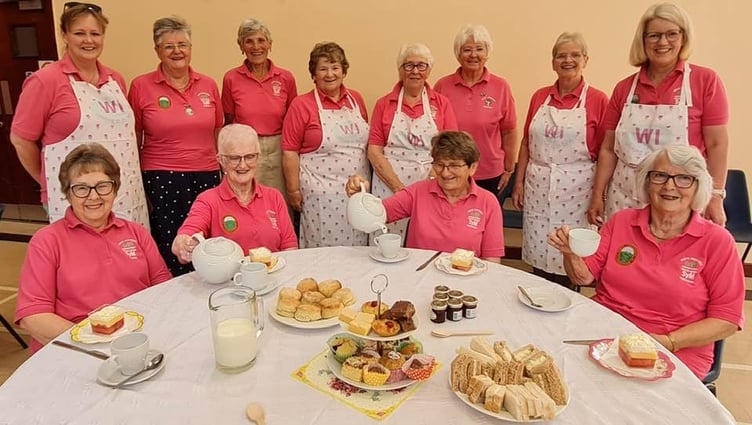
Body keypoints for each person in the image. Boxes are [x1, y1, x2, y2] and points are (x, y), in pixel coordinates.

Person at [548, 145, 744, 379]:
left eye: (683, 178)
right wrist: (570, 254)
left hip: (675, 348)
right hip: (604, 334)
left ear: (698, 187)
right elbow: (583, 277)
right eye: (660, 176)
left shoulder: (717, 241)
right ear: (646, 182)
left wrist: (667, 342)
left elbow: (727, 320)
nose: (669, 186)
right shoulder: (621, 222)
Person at [14, 143, 171, 353]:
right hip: (74, 350)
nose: (94, 196)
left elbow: (163, 290)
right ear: (67, 194)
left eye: (103, 186)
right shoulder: (47, 241)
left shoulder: (136, 233)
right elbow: (33, 316)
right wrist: (93, 344)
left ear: (115, 189)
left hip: (137, 343)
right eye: (81, 188)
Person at [587, 2, 729, 227]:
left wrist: (715, 196)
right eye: (654, 36)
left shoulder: (704, 81)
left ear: (684, 37)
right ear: (643, 41)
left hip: (679, 200)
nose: (663, 42)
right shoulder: (624, 88)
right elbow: (608, 149)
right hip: (625, 199)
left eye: (671, 34)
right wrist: (598, 195)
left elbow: (717, 145)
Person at [10, 2, 149, 227]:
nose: (89, 40)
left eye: (95, 33)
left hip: (125, 196)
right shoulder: (45, 81)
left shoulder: (116, 80)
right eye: (79, 33)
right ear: (64, 35)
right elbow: (20, 140)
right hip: (74, 198)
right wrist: (49, 182)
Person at [511, 32, 609, 288]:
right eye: (561, 55)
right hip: (538, 187)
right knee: (539, 248)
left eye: (574, 55)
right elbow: (525, 143)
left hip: (577, 192)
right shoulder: (539, 96)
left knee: (570, 251)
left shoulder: (598, 99)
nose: (568, 60)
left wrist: (599, 196)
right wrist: (518, 183)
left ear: (585, 59)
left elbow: (606, 152)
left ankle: (569, 297)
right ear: (553, 62)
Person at [128, 16, 224, 276]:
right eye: (169, 46)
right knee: (172, 245)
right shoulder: (140, 86)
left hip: (206, 175)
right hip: (163, 177)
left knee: (206, 241)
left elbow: (217, 130)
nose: (177, 51)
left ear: (191, 48)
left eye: (183, 44)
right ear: (157, 50)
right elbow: (133, 138)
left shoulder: (208, 85)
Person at [347, 131, 504, 263]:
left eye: (454, 166)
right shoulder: (418, 192)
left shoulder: (488, 203)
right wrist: (359, 195)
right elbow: (377, 214)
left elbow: (492, 262)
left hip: (464, 286)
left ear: (472, 167)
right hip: (417, 278)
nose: (445, 172)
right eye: (439, 165)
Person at [282, 42, 370, 248]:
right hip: (320, 196)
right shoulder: (301, 105)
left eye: (335, 67)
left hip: (357, 195)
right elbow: (289, 152)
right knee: (322, 252)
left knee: (356, 252)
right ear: (313, 74)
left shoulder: (356, 99)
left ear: (344, 71)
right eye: (322, 68)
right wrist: (293, 191)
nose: (329, 74)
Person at [367, 43, 457, 241]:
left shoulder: (441, 103)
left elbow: (449, 150)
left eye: (421, 66)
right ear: (400, 69)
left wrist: (426, 187)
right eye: (408, 66)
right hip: (388, 183)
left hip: (430, 182)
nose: (415, 71)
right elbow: (374, 151)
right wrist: (399, 189)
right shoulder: (384, 104)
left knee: (424, 241)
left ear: (429, 70)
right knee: (386, 242)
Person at [172, 124, 297, 263]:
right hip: (229, 282)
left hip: (274, 277)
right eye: (234, 158)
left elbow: (289, 247)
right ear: (221, 160)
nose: (243, 165)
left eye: (249, 156)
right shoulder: (208, 200)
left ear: (258, 158)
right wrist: (183, 243)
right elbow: (186, 235)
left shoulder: (274, 197)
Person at [222, 18, 298, 207]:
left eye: (261, 40)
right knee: (245, 199)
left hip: (279, 147)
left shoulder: (285, 78)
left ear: (270, 44)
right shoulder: (231, 78)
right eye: (249, 41)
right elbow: (229, 120)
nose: (256, 46)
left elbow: (292, 120)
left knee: (279, 202)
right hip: (245, 149)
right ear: (241, 46)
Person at [434, 25, 518, 195]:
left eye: (479, 49)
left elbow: (509, 131)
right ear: (458, 54)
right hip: (451, 172)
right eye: (467, 50)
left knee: (486, 220)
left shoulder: (501, 87)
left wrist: (509, 169)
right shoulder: (442, 86)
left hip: (491, 172)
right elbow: (434, 132)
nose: (473, 55)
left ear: (487, 54)